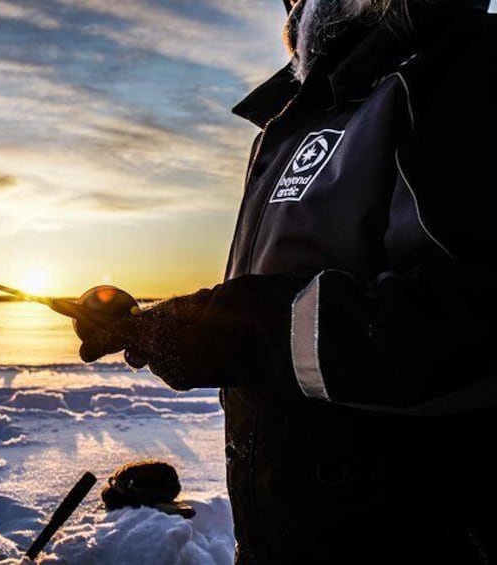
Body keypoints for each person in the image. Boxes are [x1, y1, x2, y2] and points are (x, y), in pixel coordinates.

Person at [77, 1, 497, 563]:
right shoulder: (295, 118)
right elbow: (287, 290)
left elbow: (474, 317)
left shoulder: (467, 68)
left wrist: (233, 330)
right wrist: (161, 325)